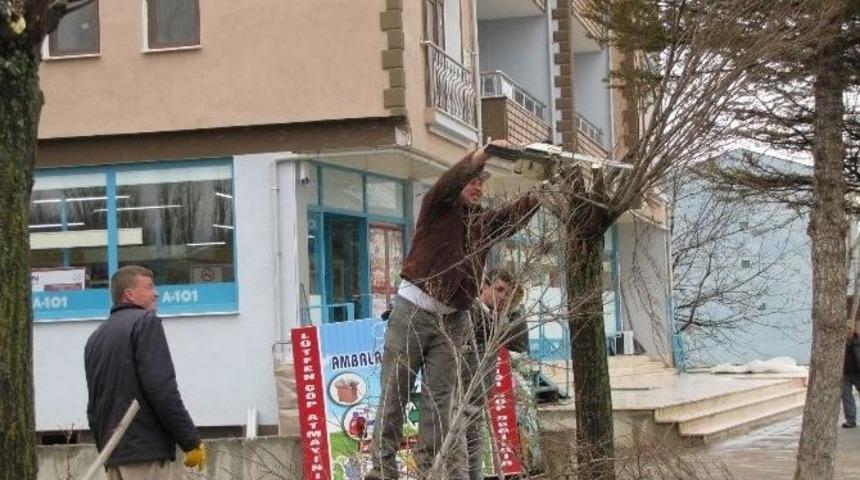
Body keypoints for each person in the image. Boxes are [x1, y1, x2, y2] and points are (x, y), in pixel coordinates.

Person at [366, 141, 540, 480]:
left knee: (439, 403)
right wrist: (483, 155)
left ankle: (430, 472)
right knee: (394, 394)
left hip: (453, 319)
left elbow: (509, 218)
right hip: (413, 309)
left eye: (481, 183)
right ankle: (382, 471)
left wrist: (539, 196)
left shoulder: (481, 225)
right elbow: (447, 182)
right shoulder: (436, 207)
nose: (478, 187)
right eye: (473, 181)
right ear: (459, 183)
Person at [85, 266, 206, 480]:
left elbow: (94, 406)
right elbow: (162, 390)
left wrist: (106, 450)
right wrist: (190, 441)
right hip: (144, 454)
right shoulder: (145, 322)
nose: (156, 293)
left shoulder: (96, 337)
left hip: (113, 455)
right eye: (149, 287)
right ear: (129, 295)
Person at [460, 269, 529, 480]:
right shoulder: (470, 311)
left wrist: (514, 309)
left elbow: (519, 343)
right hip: (460, 394)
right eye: (499, 290)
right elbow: (483, 331)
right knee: (460, 451)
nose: (503, 296)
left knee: (475, 449)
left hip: (479, 396)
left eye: (508, 293)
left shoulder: (497, 316)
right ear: (484, 287)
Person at [843, 324, 860, 428]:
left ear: (853, 329)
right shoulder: (839, 344)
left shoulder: (858, 341)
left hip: (858, 374)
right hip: (845, 375)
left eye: (849, 328)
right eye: (845, 328)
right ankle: (850, 420)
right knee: (847, 397)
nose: (847, 331)